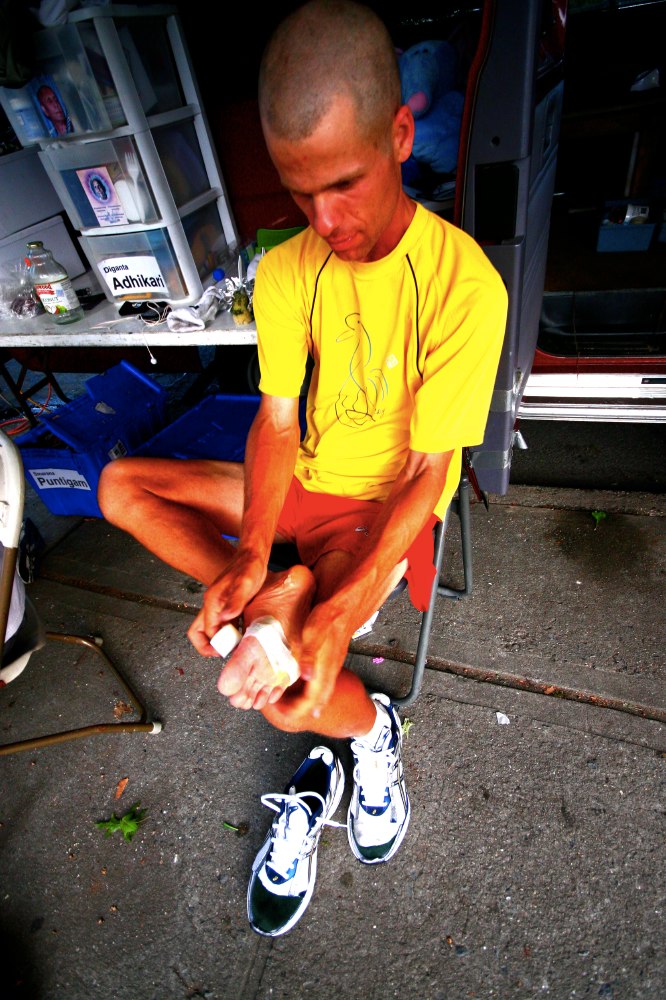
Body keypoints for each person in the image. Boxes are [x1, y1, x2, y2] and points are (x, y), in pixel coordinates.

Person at [97, 0, 508, 937]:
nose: (326, 220)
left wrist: (336, 608)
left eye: (344, 184)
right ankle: (272, 594)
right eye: (299, 193)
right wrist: (249, 556)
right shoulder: (289, 270)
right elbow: (278, 423)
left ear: (398, 135)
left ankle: (370, 733)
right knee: (121, 487)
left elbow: (429, 471)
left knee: (290, 700)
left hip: (380, 506)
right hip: (303, 481)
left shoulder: (462, 285)